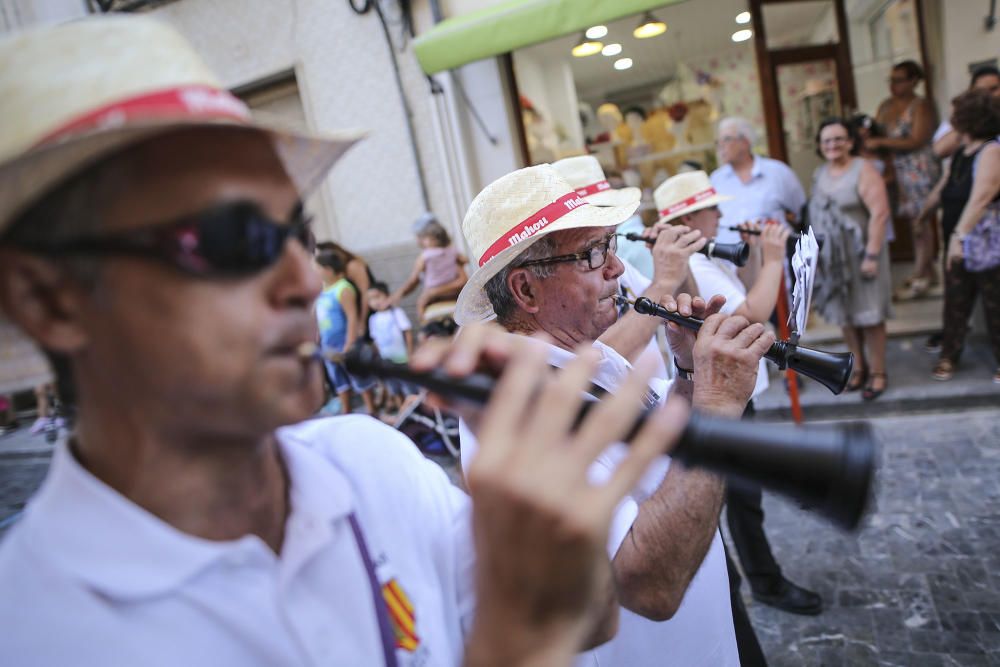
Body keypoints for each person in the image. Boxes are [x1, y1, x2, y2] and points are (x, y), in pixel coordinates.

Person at [0, 16, 690, 666]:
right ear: (49, 299)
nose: (304, 279)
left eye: (298, 234)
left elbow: (592, 615)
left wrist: (543, 505)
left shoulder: (368, 464)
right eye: (235, 237)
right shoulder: (42, 631)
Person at [454, 164, 776, 666]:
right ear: (525, 290)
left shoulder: (590, 354)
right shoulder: (511, 408)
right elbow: (648, 583)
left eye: (609, 247)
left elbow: (655, 437)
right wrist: (716, 407)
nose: (618, 269)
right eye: (593, 254)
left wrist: (691, 374)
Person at [652, 172, 822, 662]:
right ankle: (762, 582)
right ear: (686, 219)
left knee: (746, 497)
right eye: (710, 211)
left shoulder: (708, 259)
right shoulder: (688, 265)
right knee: (741, 498)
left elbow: (750, 298)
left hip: (742, 388)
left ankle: (755, 579)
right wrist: (772, 258)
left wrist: (752, 257)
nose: (720, 217)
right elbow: (747, 316)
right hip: (720, 395)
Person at [809, 118, 893, 400]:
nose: (833, 145)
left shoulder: (863, 169)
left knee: (870, 315)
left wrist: (871, 254)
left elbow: (880, 214)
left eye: (838, 139)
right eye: (827, 140)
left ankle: (879, 372)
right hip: (834, 259)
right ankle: (858, 368)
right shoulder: (819, 173)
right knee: (845, 316)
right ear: (820, 146)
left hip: (862, 254)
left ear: (850, 141)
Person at [930, 90, 1000, 383]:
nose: (951, 118)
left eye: (956, 113)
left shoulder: (991, 150)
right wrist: (923, 215)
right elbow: (944, 186)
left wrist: (961, 236)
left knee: (995, 302)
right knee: (955, 301)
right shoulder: (960, 152)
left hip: (985, 239)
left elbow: (983, 195)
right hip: (958, 236)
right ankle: (950, 354)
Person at [870, 60, 941, 298]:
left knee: (921, 220)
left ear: (913, 81)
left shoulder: (921, 106)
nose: (894, 85)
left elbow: (918, 139)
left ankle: (922, 271)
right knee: (909, 220)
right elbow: (874, 130)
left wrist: (881, 143)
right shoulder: (886, 106)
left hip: (917, 167)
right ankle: (926, 270)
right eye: (891, 80)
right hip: (894, 169)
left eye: (899, 80)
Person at [710, 116, 806, 246]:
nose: (720, 146)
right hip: (731, 262)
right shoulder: (716, 179)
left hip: (775, 258)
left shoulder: (778, 172)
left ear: (745, 142)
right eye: (718, 141)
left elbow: (801, 213)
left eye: (726, 139)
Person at [315, 250, 377, 414]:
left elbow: (351, 316)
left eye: (318, 268)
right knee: (338, 378)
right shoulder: (322, 290)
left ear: (328, 269)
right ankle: (346, 411)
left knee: (358, 376)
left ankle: (371, 410)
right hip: (329, 342)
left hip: (344, 341)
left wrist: (350, 342)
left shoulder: (343, 288)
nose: (316, 272)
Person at [390, 214, 468, 320]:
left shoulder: (424, 256)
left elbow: (413, 280)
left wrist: (432, 292)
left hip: (434, 295)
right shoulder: (452, 252)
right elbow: (465, 260)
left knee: (421, 303)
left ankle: (424, 323)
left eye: (420, 237)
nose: (418, 240)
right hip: (454, 294)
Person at [932, 65, 1000, 160]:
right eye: (982, 91)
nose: (988, 95)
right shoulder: (963, 115)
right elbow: (939, 151)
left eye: (993, 89)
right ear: (972, 91)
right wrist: (968, 121)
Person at [367, 281, 416, 411]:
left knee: (410, 387)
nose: (375, 301)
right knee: (394, 388)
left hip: (403, 359)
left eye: (377, 297)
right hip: (386, 361)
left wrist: (410, 354)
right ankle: (403, 412)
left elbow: (408, 333)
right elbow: (376, 340)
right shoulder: (373, 319)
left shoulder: (396, 313)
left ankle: (417, 411)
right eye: (370, 299)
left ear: (387, 296)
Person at [316, 240, 376, 331]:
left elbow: (365, 293)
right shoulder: (335, 273)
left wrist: (362, 321)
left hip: (368, 309)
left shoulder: (352, 265)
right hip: (352, 311)